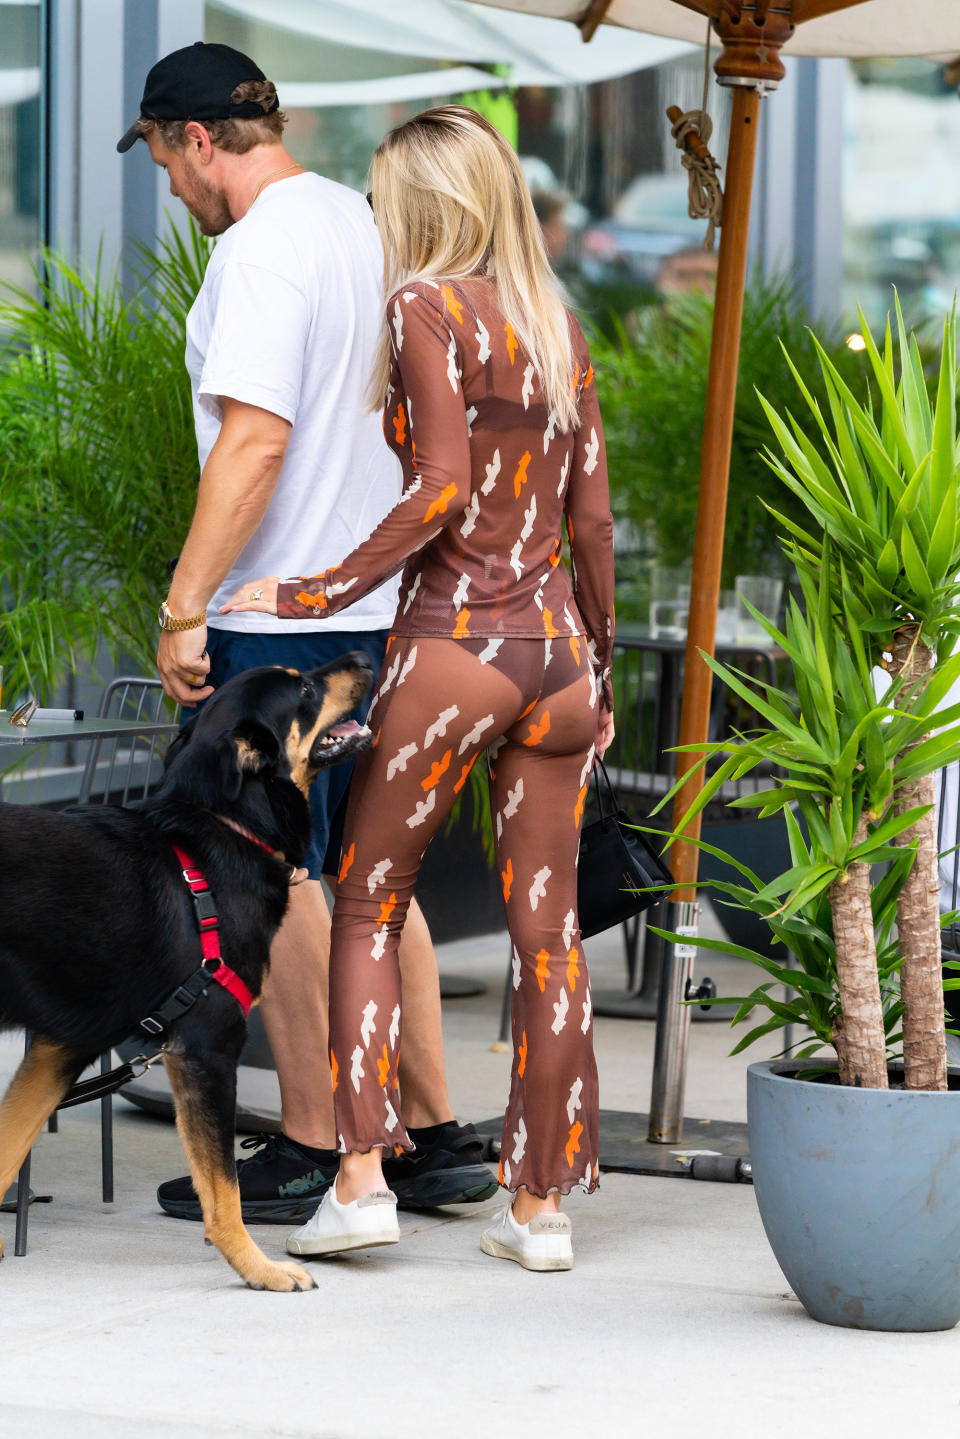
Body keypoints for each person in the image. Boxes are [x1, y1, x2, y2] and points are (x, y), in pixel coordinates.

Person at [224, 105, 616, 1271]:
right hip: (557, 657)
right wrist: (592, 639)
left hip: (456, 643)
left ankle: (359, 1180)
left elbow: (442, 487)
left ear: (417, 205)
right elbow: (591, 515)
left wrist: (323, 584)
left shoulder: (424, 306)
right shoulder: (555, 317)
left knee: (364, 902)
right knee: (550, 935)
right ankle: (538, 1208)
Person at [117, 43, 495, 1221]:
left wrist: (187, 603)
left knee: (271, 882)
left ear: (193, 140)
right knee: (378, 881)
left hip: (277, 618)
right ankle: (433, 1136)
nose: (171, 188)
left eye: (165, 159)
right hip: (381, 615)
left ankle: (318, 1141)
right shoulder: (358, 222)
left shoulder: (260, 249)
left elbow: (255, 441)